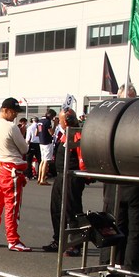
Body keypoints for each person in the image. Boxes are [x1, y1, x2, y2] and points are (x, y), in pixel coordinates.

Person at [0, 97, 32, 252]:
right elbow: (24, 149)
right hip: (11, 170)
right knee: (12, 207)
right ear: (5, 110)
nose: (15, 115)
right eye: (13, 112)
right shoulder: (11, 128)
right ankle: (13, 240)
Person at [45, 108, 85, 255]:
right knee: (56, 209)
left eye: (60, 120)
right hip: (60, 176)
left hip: (72, 177)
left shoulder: (77, 135)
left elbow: (82, 158)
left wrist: (84, 177)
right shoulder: (64, 135)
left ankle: (75, 244)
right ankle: (58, 240)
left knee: (72, 211)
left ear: (66, 121)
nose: (58, 123)